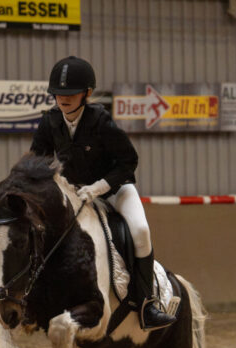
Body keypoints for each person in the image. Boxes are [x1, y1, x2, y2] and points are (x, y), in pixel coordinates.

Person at [31, 56, 176, 331]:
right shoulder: (49, 122)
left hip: (114, 190)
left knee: (141, 230)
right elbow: (36, 162)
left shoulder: (100, 121)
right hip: (72, 194)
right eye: (59, 94)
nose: (63, 99)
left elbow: (128, 162)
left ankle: (147, 304)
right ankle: (28, 300)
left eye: (71, 93)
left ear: (87, 94)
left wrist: (99, 187)